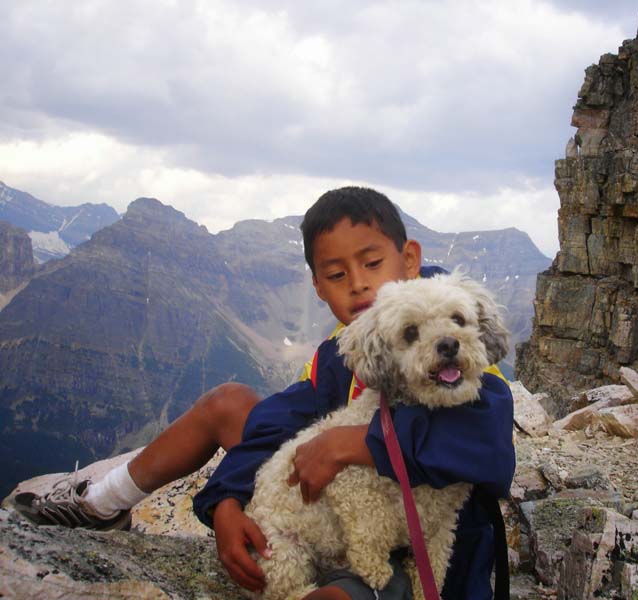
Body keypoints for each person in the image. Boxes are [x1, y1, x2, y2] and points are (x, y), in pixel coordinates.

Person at [13, 187, 515, 600]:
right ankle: (101, 502)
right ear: (318, 286)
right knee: (229, 403)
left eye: (372, 263)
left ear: (408, 260)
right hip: (327, 512)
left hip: (406, 542)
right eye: (337, 276)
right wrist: (227, 502)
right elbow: (274, 423)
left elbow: (488, 447)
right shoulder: (340, 352)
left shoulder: (452, 333)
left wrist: (351, 444)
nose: (359, 286)